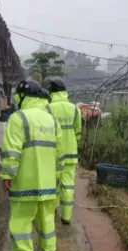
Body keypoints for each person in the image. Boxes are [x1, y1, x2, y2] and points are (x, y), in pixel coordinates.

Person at [0, 79, 64, 251]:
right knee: (47, 224)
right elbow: (59, 155)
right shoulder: (51, 120)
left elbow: (11, 152)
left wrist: (6, 176)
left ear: (22, 96)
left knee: (21, 224)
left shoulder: (18, 118)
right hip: (48, 184)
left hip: (25, 184)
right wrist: (56, 178)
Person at [45, 78, 82, 225]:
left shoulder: (47, 108)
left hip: (53, 153)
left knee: (53, 183)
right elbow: (78, 132)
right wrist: (72, 142)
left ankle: (53, 210)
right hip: (70, 153)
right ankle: (66, 217)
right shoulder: (75, 109)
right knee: (68, 185)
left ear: (52, 92)